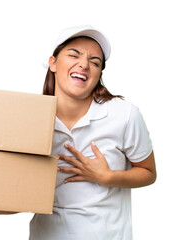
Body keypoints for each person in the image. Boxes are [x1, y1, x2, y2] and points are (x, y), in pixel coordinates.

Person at [29, 25, 156, 240]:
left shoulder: (123, 114)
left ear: (99, 74)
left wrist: (108, 177)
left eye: (95, 62)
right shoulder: (31, 118)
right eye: (74, 54)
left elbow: (148, 172)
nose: (84, 64)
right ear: (53, 63)